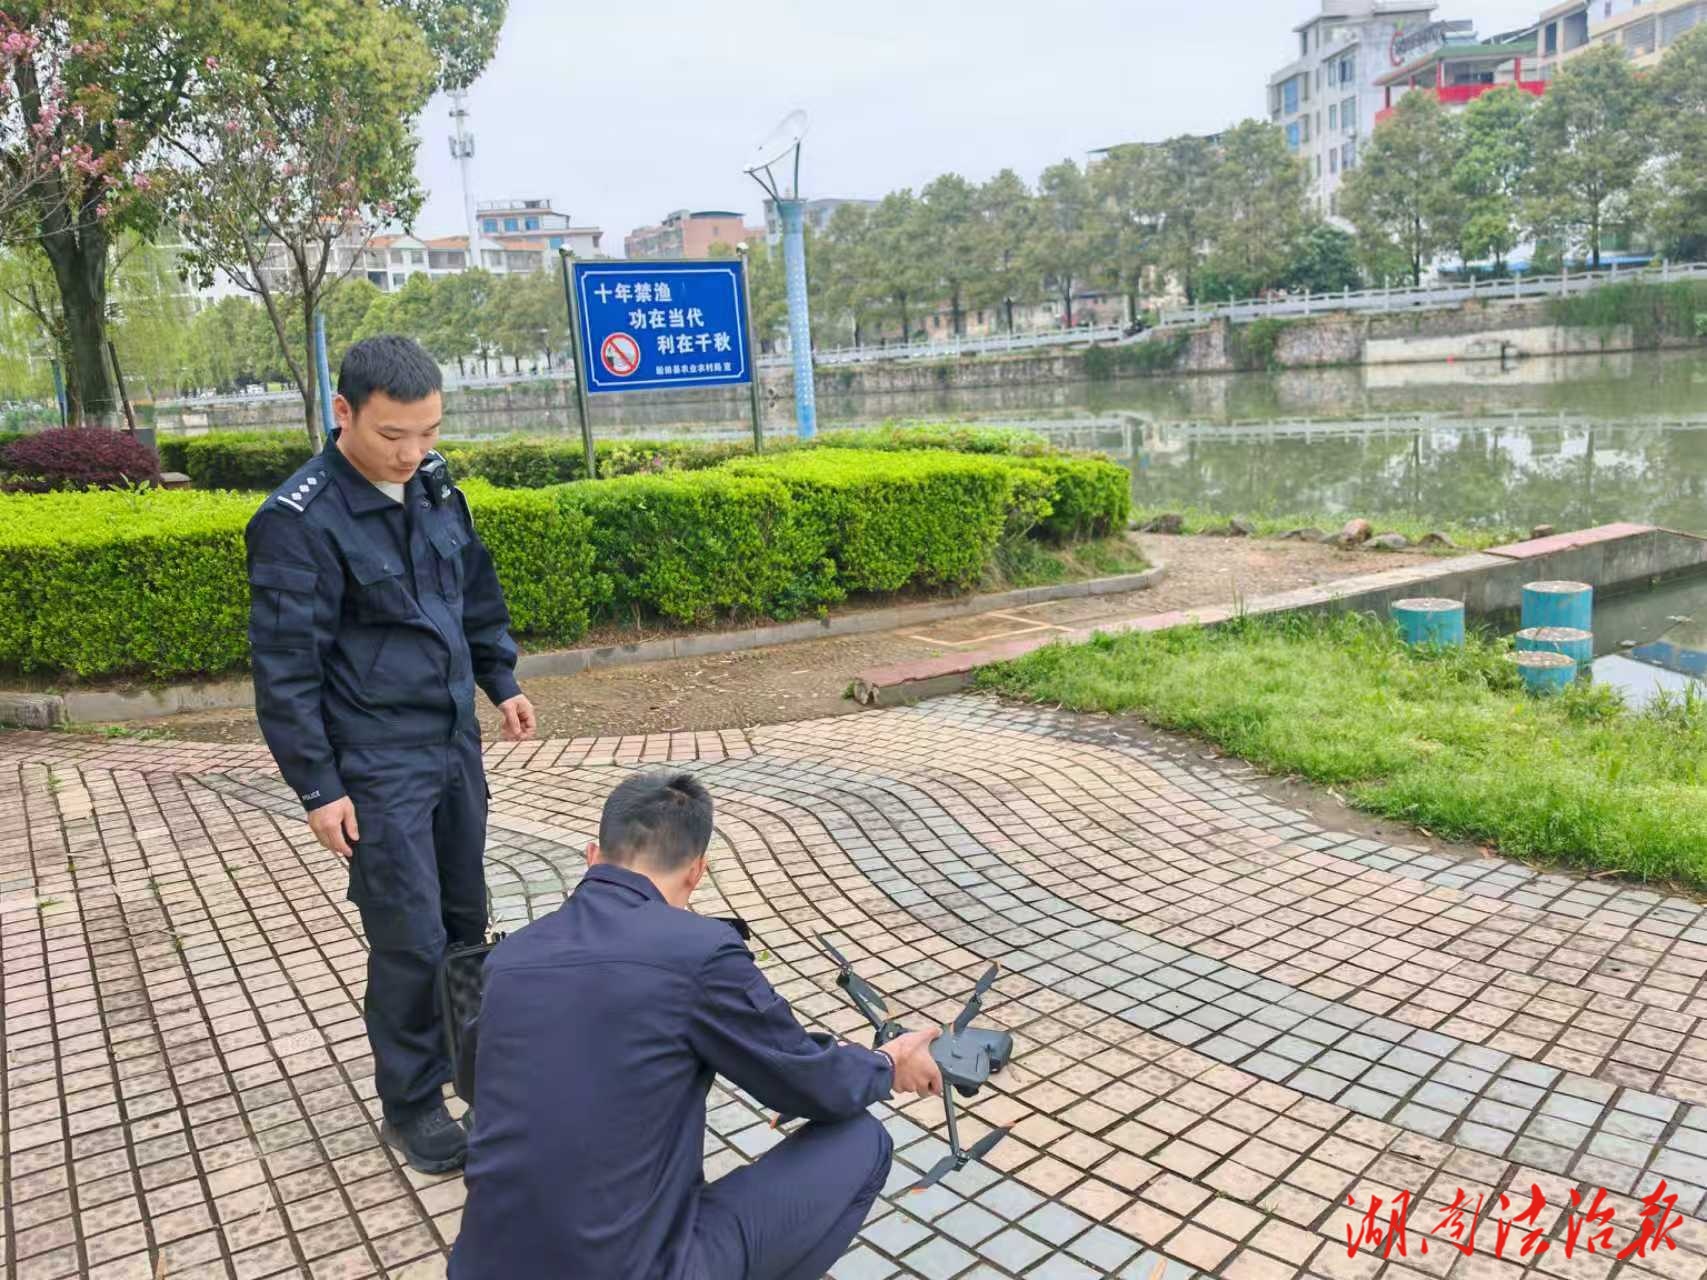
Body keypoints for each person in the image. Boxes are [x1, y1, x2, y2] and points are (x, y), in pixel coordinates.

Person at [450, 772, 944, 1280]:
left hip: (481, 1265)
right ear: (697, 871)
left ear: (591, 856)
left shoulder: (510, 958)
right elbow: (808, 1083)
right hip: (635, 1270)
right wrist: (888, 1063)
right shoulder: (700, 950)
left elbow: (473, 1082)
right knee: (862, 1141)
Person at [244, 335, 537, 1174]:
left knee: (460, 917)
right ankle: (411, 1102)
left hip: (451, 743)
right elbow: (286, 669)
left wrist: (499, 676)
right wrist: (318, 787)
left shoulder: (438, 488)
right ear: (344, 413)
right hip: (375, 763)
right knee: (406, 937)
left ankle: (468, 1065)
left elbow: (474, 592)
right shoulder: (297, 522)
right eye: (391, 436)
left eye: (428, 433)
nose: (412, 454)